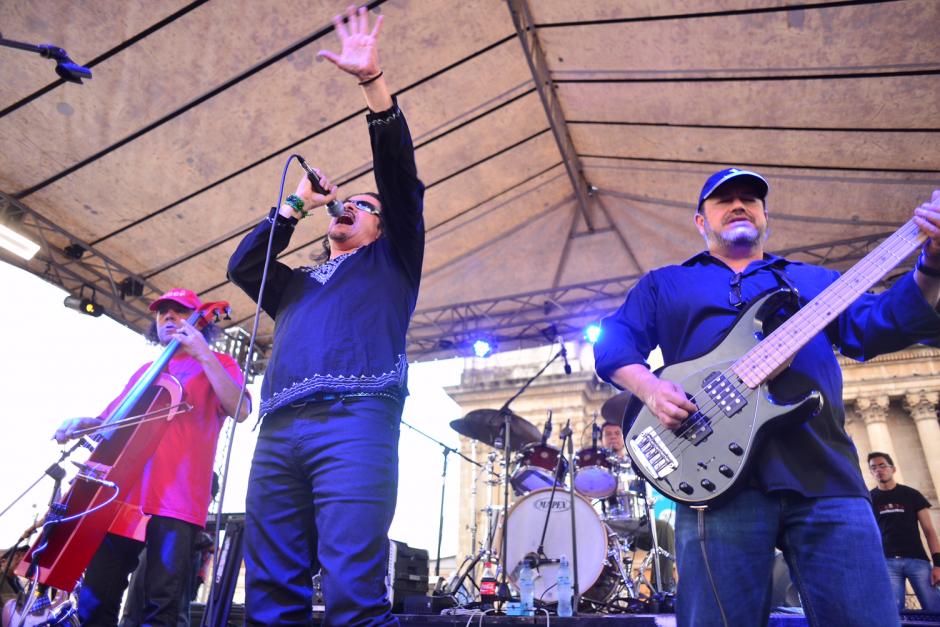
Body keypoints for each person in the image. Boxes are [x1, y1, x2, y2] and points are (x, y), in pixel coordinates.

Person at [594, 168, 940, 626]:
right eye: (724, 200)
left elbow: (881, 324)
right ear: (701, 221)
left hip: (826, 477)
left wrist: (932, 262)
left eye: (750, 199)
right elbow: (613, 342)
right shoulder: (666, 283)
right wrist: (651, 389)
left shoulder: (813, 280)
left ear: (765, 216)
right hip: (714, 483)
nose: (739, 205)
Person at [227, 6, 424, 626]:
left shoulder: (393, 259)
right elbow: (244, 266)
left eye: (365, 206)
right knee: (271, 594)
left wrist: (374, 86)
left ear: (383, 225)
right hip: (280, 430)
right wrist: (295, 204)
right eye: (349, 202)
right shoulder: (296, 285)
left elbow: (397, 178)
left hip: (356, 420)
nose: (352, 206)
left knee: (352, 593)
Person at [53, 288, 250, 626]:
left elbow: (241, 409)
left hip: (177, 500)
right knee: (95, 599)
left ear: (198, 320)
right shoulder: (147, 370)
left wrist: (204, 354)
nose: (168, 316)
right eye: (162, 312)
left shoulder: (220, 363)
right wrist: (83, 424)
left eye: (178, 311)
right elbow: (112, 425)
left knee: (162, 606)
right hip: (123, 498)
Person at [600, 421, 676, 593]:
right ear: (601, 439)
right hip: (607, 525)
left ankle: (663, 589)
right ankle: (600, 593)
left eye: (616, 433)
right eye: (608, 434)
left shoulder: (636, 463)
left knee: (663, 528)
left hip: (636, 522)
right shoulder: (596, 468)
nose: (612, 437)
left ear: (623, 437)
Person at [868, 452, 940, 611]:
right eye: (873, 467)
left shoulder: (911, 494)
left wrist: (938, 565)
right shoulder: (870, 498)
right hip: (887, 563)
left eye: (882, 465)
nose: (879, 470)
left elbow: (929, 530)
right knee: (894, 613)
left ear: (892, 469)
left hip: (917, 560)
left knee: (935, 609)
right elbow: (868, 536)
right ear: (871, 472)